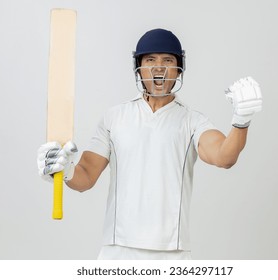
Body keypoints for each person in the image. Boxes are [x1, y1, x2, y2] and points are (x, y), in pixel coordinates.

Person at [37, 28, 262, 260]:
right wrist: (65, 170)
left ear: (179, 68)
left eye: (168, 60)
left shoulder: (193, 121)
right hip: (117, 250)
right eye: (150, 60)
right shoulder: (114, 117)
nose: (159, 67)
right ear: (139, 67)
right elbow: (85, 178)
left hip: (172, 253)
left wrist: (241, 121)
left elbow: (224, 157)